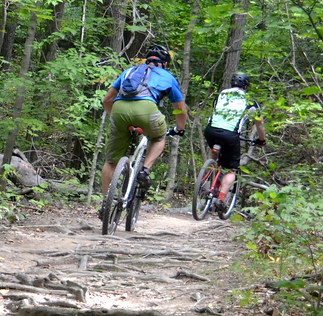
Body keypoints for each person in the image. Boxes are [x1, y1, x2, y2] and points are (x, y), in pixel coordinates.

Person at [101, 43, 188, 203]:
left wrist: (116, 116)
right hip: (146, 109)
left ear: (147, 60)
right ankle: (145, 170)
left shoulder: (130, 71)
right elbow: (180, 109)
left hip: (119, 108)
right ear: (165, 64)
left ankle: (106, 202)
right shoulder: (167, 76)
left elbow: (107, 99)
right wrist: (180, 128)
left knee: (111, 162)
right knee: (158, 138)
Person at [203, 72, 266, 214]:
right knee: (232, 169)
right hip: (230, 135)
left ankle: (208, 177)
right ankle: (221, 198)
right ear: (246, 86)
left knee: (216, 155)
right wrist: (262, 139)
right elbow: (259, 124)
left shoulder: (222, 94)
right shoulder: (250, 101)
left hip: (210, 131)